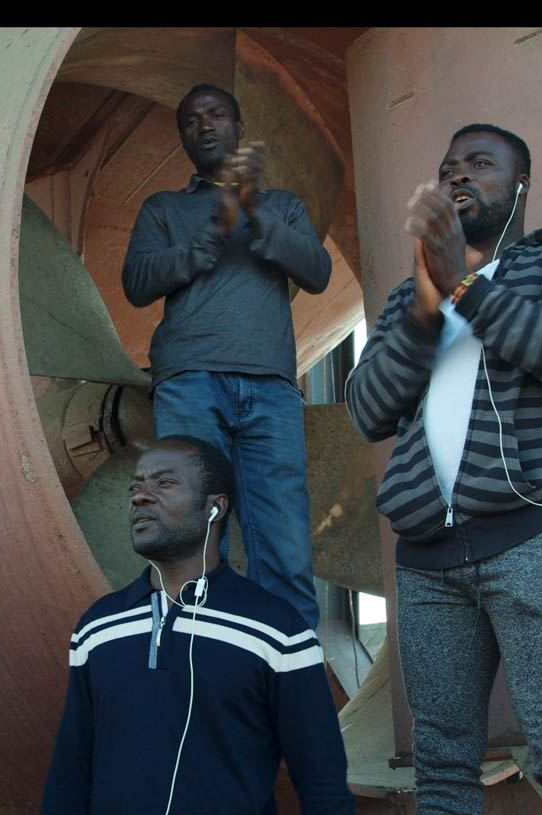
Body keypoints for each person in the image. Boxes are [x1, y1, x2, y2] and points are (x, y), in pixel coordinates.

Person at [344, 124, 542, 815]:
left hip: (529, 540)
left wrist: (463, 286)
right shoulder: (407, 299)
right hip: (425, 561)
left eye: (479, 164)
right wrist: (427, 306)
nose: (458, 176)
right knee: (441, 764)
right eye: (447, 169)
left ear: (521, 183)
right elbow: (368, 410)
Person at [40, 436, 355, 815]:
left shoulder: (279, 631)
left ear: (214, 508)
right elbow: (69, 775)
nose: (140, 497)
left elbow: (323, 784)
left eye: (164, 483)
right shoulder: (97, 628)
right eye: (135, 487)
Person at [121, 83, 332, 630]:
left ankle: (290, 669)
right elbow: (137, 282)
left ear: (239, 129)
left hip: (271, 387)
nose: (204, 125)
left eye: (216, 115)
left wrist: (254, 210)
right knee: (191, 533)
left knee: (285, 541)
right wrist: (207, 239)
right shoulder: (164, 207)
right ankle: (202, 662)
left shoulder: (282, 204)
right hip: (189, 379)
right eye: (191, 121)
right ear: (184, 140)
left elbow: (317, 272)